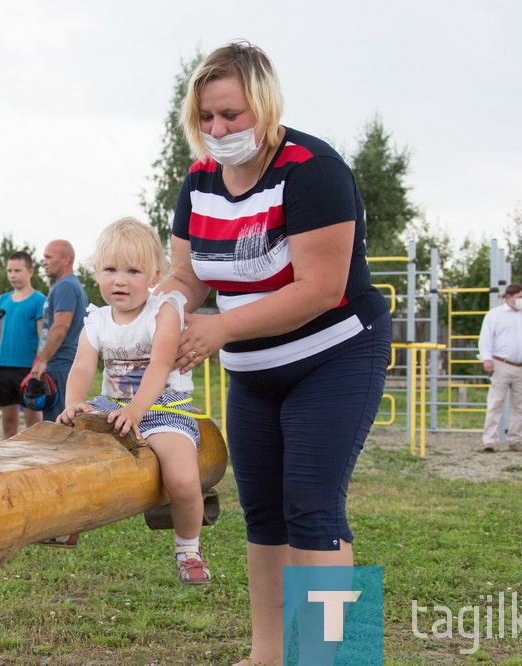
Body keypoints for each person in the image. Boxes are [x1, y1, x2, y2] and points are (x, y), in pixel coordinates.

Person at [156, 42, 391, 665]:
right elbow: (188, 275)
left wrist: (221, 329)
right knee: (263, 517)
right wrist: (164, 308)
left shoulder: (313, 169)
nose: (218, 130)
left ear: (264, 105)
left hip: (336, 355)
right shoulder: (198, 180)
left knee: (314, 508)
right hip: (254, 372)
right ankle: (267, 656)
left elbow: (321, 288)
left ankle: (331, 658)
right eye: (206, 117)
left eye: (231, 115)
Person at [57, 218, 210, 584]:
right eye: (110, 269)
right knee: (64, 449)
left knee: (184, 478)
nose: (120, 280)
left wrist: (137, 410)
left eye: (133, 270)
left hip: (162, 409)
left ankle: (188, 548)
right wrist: (75, 403)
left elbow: (160, 362)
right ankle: (67, 517)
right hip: (112, 405)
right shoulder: (96, 320)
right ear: (96, 272)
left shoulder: (163, 310)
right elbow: (81, 367)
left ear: (155, 275)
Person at [477, 283, 522, 453]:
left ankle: (515, 440)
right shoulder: (495, 315)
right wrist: (486, 358)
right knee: (495, 403)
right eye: (520, 297)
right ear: (509, 298)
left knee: (521, 406)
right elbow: (486, 338)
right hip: (501, 364)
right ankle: (490, 440)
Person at [0, 251, 46, 439]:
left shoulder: (39, 300)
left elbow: (41, 337)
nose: (12, 275)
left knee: (33, 423)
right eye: (9, 270)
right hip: (3, 367)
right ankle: (6, 462)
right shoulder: (2, 300)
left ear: (30, 272)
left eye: (17, 270)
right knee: (8, 423)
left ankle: (35, 460)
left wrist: (39, 364)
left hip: (27, 369)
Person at [30, 240, 88, 423]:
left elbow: (61, 325)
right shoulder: (66, 285)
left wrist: (43, 361)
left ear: (66, 260)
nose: (44, 262)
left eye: (48, 257)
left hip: (62, 365)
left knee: (61, 425)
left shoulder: (66, 286)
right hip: (63, 364)